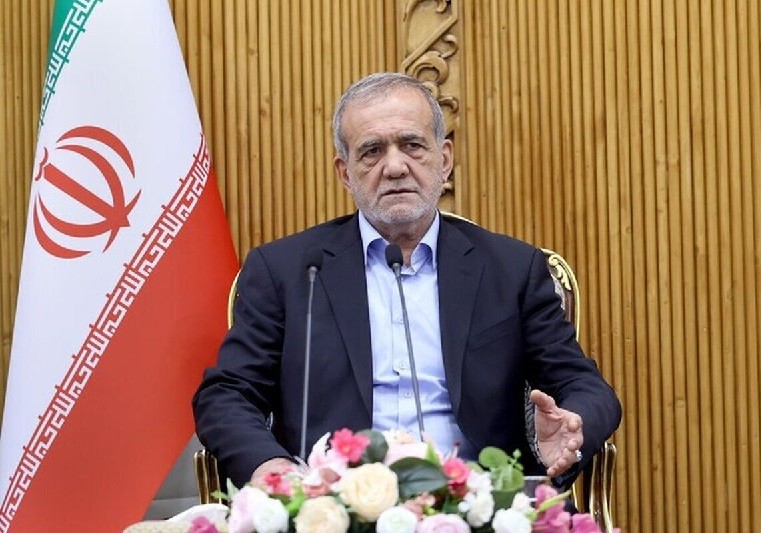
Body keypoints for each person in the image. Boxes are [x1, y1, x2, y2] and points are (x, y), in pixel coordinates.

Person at [192, 72, 621, 491]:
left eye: (412, 146)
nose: (395, 167)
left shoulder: (510, 269)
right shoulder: (286, 270)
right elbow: (227, 394)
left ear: (444, 159)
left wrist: (572, 427)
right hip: (333, 506)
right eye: (372, 151)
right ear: (345, 173)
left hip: (476, 504)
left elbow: (583, 386)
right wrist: (271, 466)